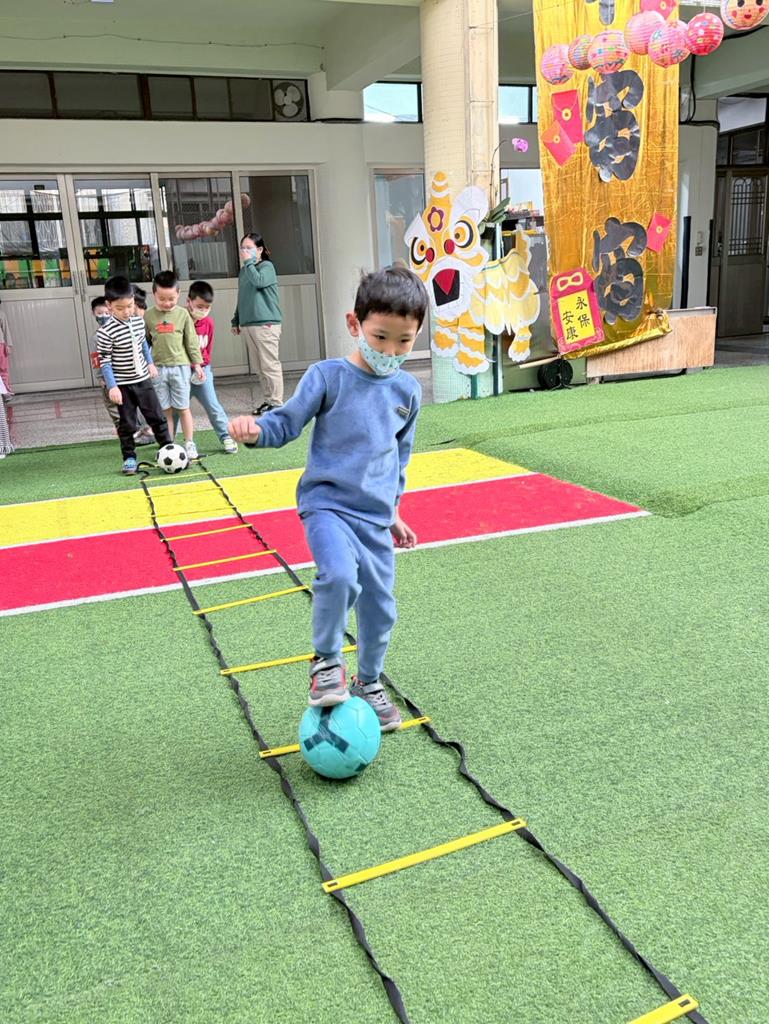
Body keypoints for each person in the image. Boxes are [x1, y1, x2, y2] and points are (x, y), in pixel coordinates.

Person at [228, 266, 427, 731]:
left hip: (374, 518)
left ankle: (369, 682)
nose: (390, 352)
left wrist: (394, 511)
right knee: (338, 575)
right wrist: (256, 431)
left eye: (404, 341)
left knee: (380, 608)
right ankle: (326, 662)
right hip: (327, 506)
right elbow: (286, 422)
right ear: (354, 324)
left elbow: (398, 458)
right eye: (380, 338)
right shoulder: (328, 377)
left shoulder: (408, 390)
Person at [97, 276, 171, 475]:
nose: (127, 311)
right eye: (120, 308)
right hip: (123, 386)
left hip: (143, 381)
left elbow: (143, 345)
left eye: (130, 306)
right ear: (109, 306)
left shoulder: (138, 322)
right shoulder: (105, 332)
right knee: (127, 424)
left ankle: (168, 448)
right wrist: (112, 386)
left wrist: (150, 363)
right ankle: (129, 457)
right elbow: (105, 362)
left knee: (157, 417)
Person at [144, 270, 203, 460]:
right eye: (162, 299)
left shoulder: (183, 314)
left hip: (180, 367)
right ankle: (167, 445)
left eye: (171, 299)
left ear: (178, 294)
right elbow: (145, 343)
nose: (167, 303)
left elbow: (191, 341)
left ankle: (189, 443)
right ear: (154, 294)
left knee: (183, 408)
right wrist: (147, 364)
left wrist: (197, 364)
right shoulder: (148, 315)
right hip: (158, 369)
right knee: (165, 411)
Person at [176, 281, 238, 454]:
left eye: (207, 307)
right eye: (199, 306)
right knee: (175, 409)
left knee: (213, 405)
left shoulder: (209, 322)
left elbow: (207, 349)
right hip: (181, 371)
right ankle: (167, 441)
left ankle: (226, 436)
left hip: (203, 371)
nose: (203, 310)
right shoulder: (180, 319)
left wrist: (203, 367)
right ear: (188, 301)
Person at [231, 233, 284, 415]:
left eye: (249, 248)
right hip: (248, 324)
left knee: (270, 365)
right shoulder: (244, 271)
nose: (244, 251)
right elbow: (242, 297)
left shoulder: (267, 267)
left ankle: (277, 403)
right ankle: (269, 400)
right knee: (259, 367)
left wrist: (248, 264)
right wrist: (236, 319)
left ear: (259, 250)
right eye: (243, 248)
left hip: (266, 324)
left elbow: (259, 282)